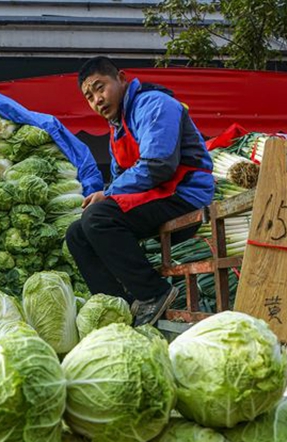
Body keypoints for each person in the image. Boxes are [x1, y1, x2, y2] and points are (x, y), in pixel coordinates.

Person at [66, 56, 215, 327]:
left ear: (121, 78)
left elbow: (159, 165)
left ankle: (154, 293)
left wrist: (108, 196)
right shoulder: (117, 127)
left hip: (184, 194)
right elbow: (120, 177)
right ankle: (119, 306)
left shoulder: (154, 104)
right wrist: (108, 194)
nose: (97, 99)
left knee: (98, 218)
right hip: (156, 197)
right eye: (89, 96)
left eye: (100, 87)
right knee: (77, 233)